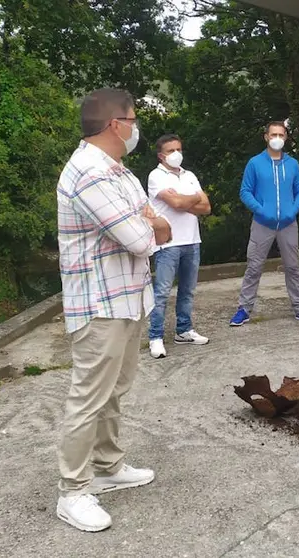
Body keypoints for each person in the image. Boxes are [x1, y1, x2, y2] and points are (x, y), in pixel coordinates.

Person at [56, 88, 172, 532]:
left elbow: (146, 219)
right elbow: (145, 238)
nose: (136, 127)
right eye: (133, 119)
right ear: (115, 125)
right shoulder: (88, 173)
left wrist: (149, 223)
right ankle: (72, 491)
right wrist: (151, 225)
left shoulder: (118, 170)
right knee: (88, 396)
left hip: (127, 298)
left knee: (115, 389)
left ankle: (106, 466)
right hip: (99, 304)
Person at [229, 121, 299, 327]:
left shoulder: (292, 164)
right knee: (254, 266)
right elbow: (245, 191)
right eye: (273, 134)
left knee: (293, 267)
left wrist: (292, 211)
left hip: (288, 223)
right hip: (262, 223)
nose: (277, 138)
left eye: (281, 135)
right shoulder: (255, 163)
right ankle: (244, 308)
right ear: (266, 137)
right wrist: (262, 210)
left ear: (286, 138)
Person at [147, 134, 211, 359]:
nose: (176, 154)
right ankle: (155, 336)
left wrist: (186, 200)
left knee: (188, 291)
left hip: (192, 240)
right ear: (161, 155)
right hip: (168, 243)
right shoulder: (156, 176)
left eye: (178, 149)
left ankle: (183, 330)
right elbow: (175, 203)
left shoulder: (189, 175)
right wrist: (194, 198)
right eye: (170, 150)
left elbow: (206, 207)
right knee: (162, 292)